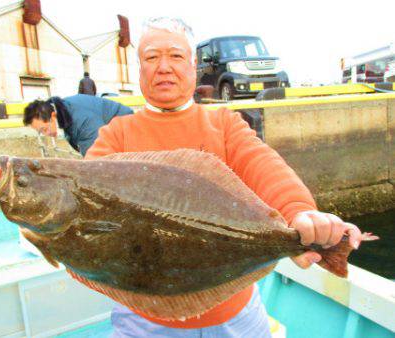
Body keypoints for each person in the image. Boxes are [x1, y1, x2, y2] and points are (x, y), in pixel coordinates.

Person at [85, 17, 363, 337]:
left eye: (175, 56)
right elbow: (85, 199)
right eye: (151, 57)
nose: (163, 67)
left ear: (192, 66)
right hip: (145, 320)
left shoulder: (224, 125)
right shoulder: (116, 135)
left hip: (235, 313)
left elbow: (262, 165)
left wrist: (299, 211)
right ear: (139, 69)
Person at [23, 94, 133, 157]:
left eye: (44, 129)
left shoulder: (81, 121)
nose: (46, 134)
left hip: (128, 128)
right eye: (41, 132)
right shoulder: (65, 112)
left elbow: (97, 155)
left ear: (53, 116)